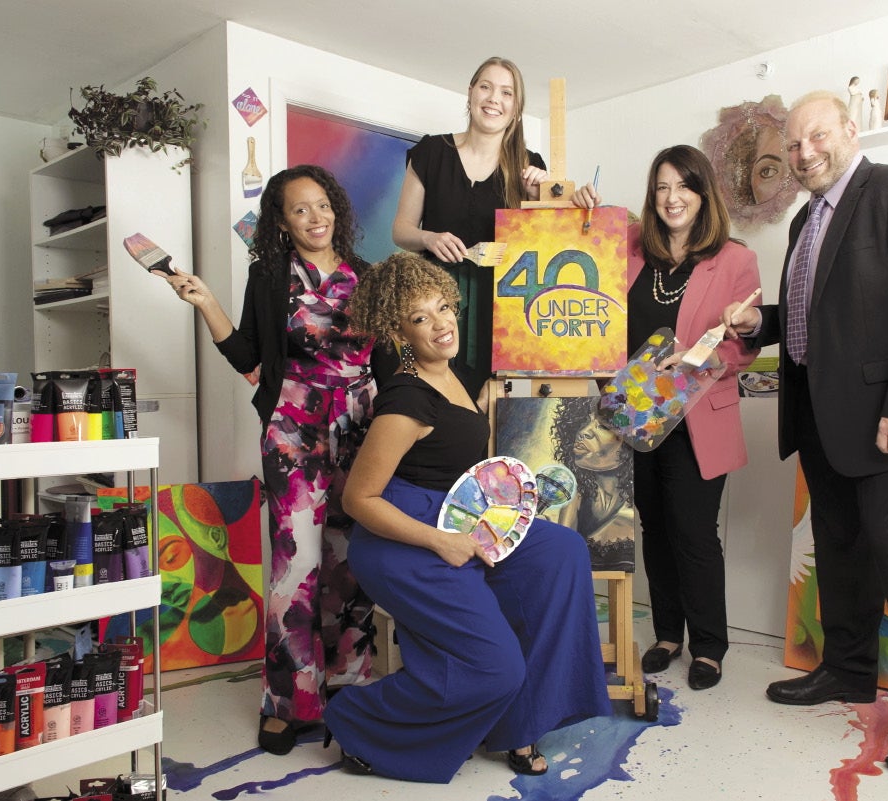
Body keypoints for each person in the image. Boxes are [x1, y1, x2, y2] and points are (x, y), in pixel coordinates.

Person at [721, 91, 888, 774]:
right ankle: (848, 668)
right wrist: (764, 324)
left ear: (849, 130)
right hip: (821, 418)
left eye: (815, 137)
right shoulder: (809, 218)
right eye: (794, 146)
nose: (804, 153)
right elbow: (827, 311)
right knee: (840, 552)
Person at [323, 252, 611, 782]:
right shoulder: (405, 399)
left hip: (457, 516)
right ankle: (358, 724)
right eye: (420, 319)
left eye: (442, 309)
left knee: (562, 552)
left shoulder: (458, 375)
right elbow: (358, 500)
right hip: (405, 536)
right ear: (399, 332)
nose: (440, 325)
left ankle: (518, 724)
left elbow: (458, 466)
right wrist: (439, 541)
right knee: (494, 668)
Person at [157, 165, 377, 755]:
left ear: (337, 208)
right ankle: (289, 701)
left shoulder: (371, 276)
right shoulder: (271, 274)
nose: (315, 217)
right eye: (300, 209)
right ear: (281, 221)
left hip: (361, 428)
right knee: (294, 566)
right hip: (293, 429)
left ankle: (352, 690)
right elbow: (248, 354)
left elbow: (396, 350)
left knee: (352, 563)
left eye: (323, 204)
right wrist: (205, 302)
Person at [605, 144, 760, 691]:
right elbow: (581, 254)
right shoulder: (629, 250)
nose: (672, 198)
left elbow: (746, 347)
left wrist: (707, 355)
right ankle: (667, 633)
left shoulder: (735, 259)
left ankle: (709, 646)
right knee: (655, 530)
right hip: (638, 419)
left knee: (693, 533)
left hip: (697, 419)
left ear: (703, 194)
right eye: (661, 187)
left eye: (683, 187)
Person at [391, 55, 597, 398]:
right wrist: (428, 237)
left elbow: (554, 248)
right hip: (434, 303)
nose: (493, 99)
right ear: (470, 93)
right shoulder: (430, 152)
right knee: (425, 398)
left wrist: (550, 199)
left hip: (504, 306)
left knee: (494, 409)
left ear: (516, 109)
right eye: (485, 87)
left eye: (506, 93)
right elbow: (401, 230)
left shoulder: (531, 166)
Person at [549, 401, 635, 571]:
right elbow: (559, 561)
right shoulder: (575, 495)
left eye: (602, 427)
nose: (583, 432)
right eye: (583, 423)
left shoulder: (629, 509)